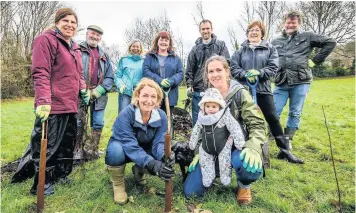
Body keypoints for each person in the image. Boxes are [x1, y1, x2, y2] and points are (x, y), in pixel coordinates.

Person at [184, 56, 266, 205]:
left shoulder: (240, 93)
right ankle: (215, 170)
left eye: (219, 70)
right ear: (207, 75)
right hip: (211, 148)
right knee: (191, 192)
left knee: (249, 167)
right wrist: (197, 152)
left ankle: (244, 186)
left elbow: (257, 124)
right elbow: (200, 128)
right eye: (211, 71)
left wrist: (253, 147)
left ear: (227, 72)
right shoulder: (206, 97)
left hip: (236, 146)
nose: (215, 74)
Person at [30, 8, 89, 195]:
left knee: (67, 143)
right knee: (49, 145)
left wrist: (83, 87)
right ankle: (42, 182)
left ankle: (61, 175)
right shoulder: (45, 40)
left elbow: (78, 73)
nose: (70, 25)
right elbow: (41, 71)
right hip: (53, 105)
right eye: (66, 21)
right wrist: (43, 100)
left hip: (71, 104)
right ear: (57, 22)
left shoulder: (74, 46)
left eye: (73, 22)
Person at [230, 20, 303, 164]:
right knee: (241, 119)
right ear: (247, 33)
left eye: (257, 30)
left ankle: (285, 150)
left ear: (262, 33)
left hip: (263, 90)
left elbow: (273, 67)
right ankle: (240, 149)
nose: (254, 32)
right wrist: (245, 74)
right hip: (244, 91)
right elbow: (233, 67)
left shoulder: (270, 48)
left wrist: (259, 72)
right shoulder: (240, 50)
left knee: (273, 119)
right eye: (251, 30)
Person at [271, 11, 336, 161]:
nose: (290, 24)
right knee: (274, 112)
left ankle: (286, 146)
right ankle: (279, 142)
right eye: (288, 22)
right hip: (281, 81)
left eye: (293, 22)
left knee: (295, 112)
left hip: (301, 81)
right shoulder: (276, 41)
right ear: (284, 23)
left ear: (298, 24)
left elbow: (331, 42)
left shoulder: (307, 36)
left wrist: (315, 60)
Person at [105, 78, 175, 204]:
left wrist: (165, 155)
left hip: (145, 149)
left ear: (158, 99)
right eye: (145, 95)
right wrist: (152, 163)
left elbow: (159, 143)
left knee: (160, 156)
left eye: (153, 96)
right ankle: (118, 185)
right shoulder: (126, 114)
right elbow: (130, 145)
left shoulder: (162, 116)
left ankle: (139, 170)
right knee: (115, 150)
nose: (149, 100)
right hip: (125, 149)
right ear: (137, 96)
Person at [188, 88, 245, 187]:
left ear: (219, 106)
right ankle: (208, 178)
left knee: (224, 162)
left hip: (222, 146)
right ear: (203, 107)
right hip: (206, 147)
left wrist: (239, 142)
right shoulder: (201, 118)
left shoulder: (224, 116)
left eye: (214, 106)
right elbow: (196, 130)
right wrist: (192, 143)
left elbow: (234, 127)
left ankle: (225, 178)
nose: (210, 109)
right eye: (208, 106)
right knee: (205, 162)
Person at [76, 25, 114, 160]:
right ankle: (77, 150)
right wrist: (82, 88)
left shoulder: (104, 54)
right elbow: (72, 70)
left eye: (98, 35)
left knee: (98, 122)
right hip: (80, 93)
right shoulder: (77, 49)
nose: (95, 37)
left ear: (100, 38)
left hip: (99, 95)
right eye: (93, 33)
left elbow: (110, 76)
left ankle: (93, 150)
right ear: (87, 34)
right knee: (79, 122)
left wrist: (100, 90)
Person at [186, 19, 230, 126]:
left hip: (216, 87)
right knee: (198, 117)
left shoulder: (221, 45)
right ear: (200, 31)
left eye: (207, 28)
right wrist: (189, 84)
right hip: (199, 88)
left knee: (218, 114)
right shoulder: (195, 49)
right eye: (203, 29)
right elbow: (190, 69)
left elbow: (226, 64)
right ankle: (198, 140)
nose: (205, 31)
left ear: (212, 29)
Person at [143, 31, 184, 115]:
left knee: (168, 119)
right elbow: (145, 71)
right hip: (153, 93)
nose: (163, 42)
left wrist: (171, 81)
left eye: (166, 40)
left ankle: (169, 128)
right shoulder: (149, 56)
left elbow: (180, 73)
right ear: (157, 41)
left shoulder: (175, 58)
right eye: (161, 40)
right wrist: (159, 80)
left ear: (169, 43)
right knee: (153, 119)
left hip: (170, 94)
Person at [115, 39, 144, 113]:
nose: (135, 48)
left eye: (137, 47)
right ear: (130, 47)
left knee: (138, 116)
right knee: (123, 114)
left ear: (140, 48)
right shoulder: (123, 60)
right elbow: (117, 75)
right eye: (133, 46)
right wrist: (120, 85)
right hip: (125, 92)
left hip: (139, 93)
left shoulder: (144, 61)